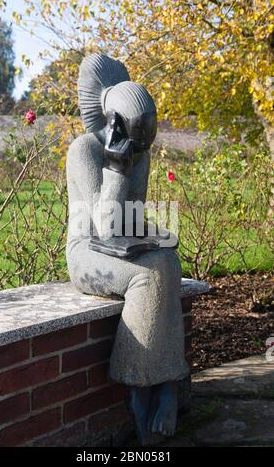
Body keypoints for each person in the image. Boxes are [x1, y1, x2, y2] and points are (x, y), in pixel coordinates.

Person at [66, 54, 189, 444]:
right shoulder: (83, 150)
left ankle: (166, 381)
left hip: (118, 244)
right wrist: (116, 166)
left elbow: (128, 215)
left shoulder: (140, 152)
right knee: (150, 276)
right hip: (87, 254)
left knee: (167, 258)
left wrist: (151, 236)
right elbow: (101, 225)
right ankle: (142, 387)